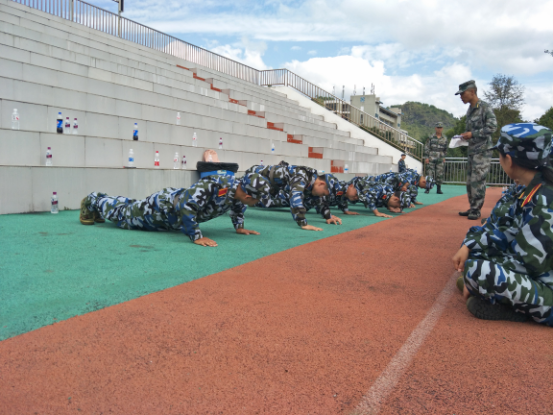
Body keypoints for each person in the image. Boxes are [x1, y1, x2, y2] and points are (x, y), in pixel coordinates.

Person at [452, 123, 553, 326]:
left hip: (544, 279)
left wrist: (476, 277)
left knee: (479, 272)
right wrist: (470, 246)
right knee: (478, 256)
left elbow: (528, 264)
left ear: (509, 160)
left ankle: (523, 308)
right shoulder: (532, 188)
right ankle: (500, 298)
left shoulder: (544, 201)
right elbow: (507, 229)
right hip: (539, 268)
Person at [79, 173, 271, 247]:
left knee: (130, 207)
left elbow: (237, 206)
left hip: (172, 218)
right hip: (162, 209)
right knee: (125, 216)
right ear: (248, 195)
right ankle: (93, 200)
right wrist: (196, 236)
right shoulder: (217, 184)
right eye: (258, 199)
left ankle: (99, 205)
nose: (258, 202)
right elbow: (187, 205)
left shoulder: (238, 191)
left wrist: (239, 226)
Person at [245, 162, 332, 231]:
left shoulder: (313, 179)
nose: (321, 196)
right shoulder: (303, 175)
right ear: (321, 183)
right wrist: (303, 223)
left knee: (263, 203)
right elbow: (295, 196)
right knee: (243, 196)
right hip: (256, 175)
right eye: (323, 193)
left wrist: (328, 216)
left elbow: (318, 198)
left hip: (272, 187)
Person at [456, 80, 498, 220]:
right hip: (472, 150)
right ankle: (472, 206)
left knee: (478, 180)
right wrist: (464, 136)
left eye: (463, 94)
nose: (461, 97)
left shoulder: (485, 107)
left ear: (472, 92)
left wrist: (472, 134)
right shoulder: (470, 109)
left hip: (482, 151)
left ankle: (476, 210)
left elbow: (492, 127)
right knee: (470, 181)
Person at [424, 122, 448, 194]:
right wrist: (426, 157)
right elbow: (427, 147)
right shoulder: (431, 137)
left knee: (439, 173)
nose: (439, 129)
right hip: (431, 156)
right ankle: (427, 188)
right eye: (438, 127)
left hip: (440, 157)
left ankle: (438, 189)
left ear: (442, 128)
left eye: (440, 128)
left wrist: (444, 157)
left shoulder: (445, 138)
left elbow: (446, 149)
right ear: (435, 128)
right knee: (429, 173)